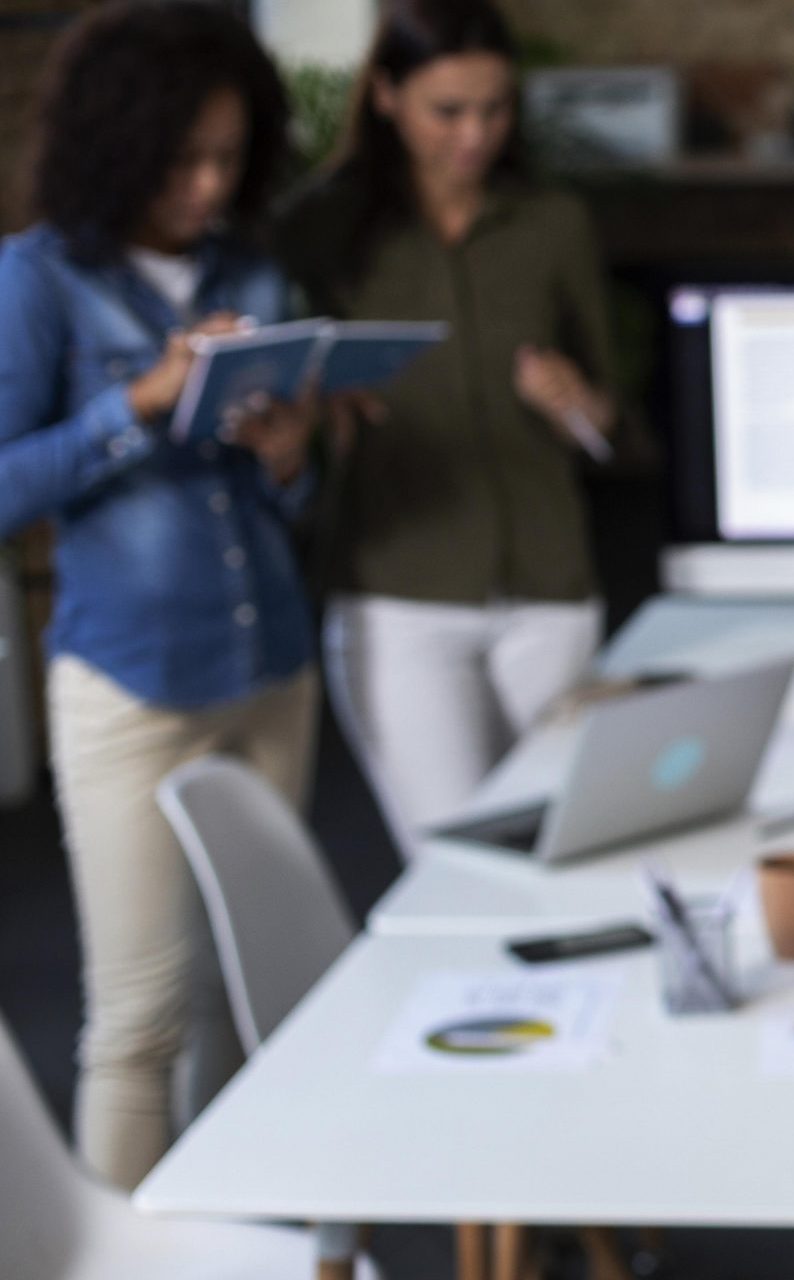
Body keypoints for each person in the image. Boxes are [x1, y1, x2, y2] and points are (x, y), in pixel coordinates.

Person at [0, 0, 320, 1190]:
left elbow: (284, 501)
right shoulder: (38, 280)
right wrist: (136, 404)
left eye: (230, 156)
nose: (207, 183)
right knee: (140, 1020)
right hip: (129, 684)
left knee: (257, 998)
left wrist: (290, 456)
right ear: (114, 148)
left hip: (272, 669)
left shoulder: (253, 266)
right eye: (182, 158)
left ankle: (242, 1240)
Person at [273, 0, 636, 852]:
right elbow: (269, 401)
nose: (475, 135)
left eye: (495, 109)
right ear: (388, 96)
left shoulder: (552, 223)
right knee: (454, 860)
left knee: (572, 847)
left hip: (550, 588)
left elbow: (613, 415)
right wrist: (317, 407)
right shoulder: (318, 229)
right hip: (400, 591)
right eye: (449, 112)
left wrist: (577, 402)